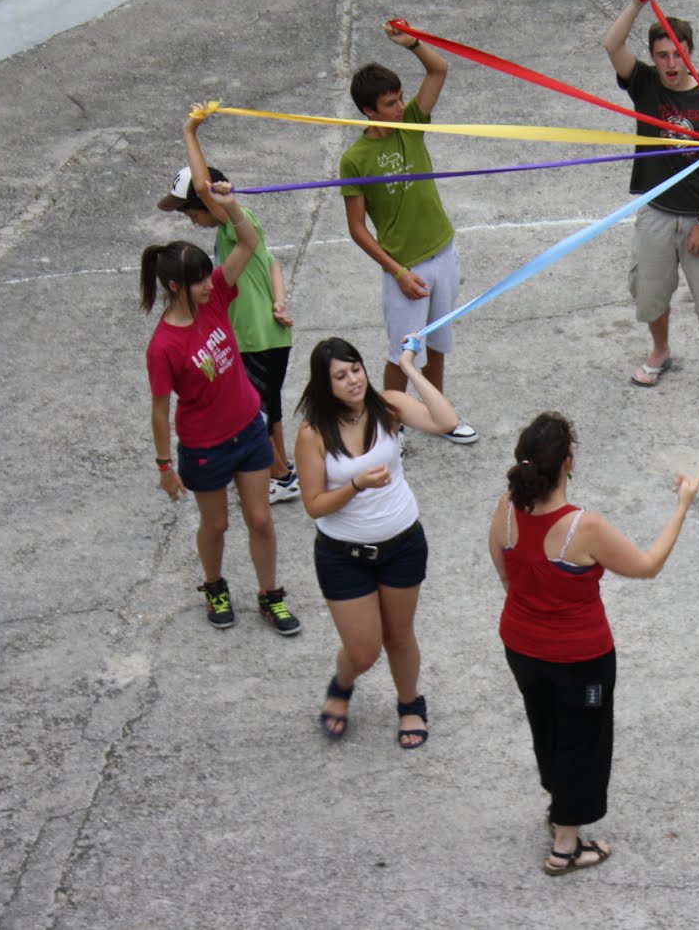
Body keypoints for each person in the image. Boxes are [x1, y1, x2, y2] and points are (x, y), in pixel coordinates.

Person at [489, 412, 699, 875]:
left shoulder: (507, 506)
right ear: (569, 462)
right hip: (581, 660)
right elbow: (647, 565)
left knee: (545, 726)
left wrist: (535, 613)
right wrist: (683, 504)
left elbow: (504, 569)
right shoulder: (580, 527)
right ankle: (566, 845)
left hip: (522, 647)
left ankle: (557, 805)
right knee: (583, 740)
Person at [142, 179, 299, 636]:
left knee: (261, 520)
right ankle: (214, 585)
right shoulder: (164, 347)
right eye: (199, 282)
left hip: (249, 429)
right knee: (217, 525)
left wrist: (229, 206)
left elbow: (251, 242)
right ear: (175, 286)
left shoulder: (214, 297)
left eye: (209, 276)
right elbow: (158, 410)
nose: (211, 285)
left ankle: (270, 595)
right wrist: (164, 466)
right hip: (205, 446)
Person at [296, 337, 469, 748]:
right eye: (340, 376)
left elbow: (446, 421)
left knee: (400, 636)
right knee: (364, 651)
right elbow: (314, 505)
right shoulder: (313, 433)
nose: (353, 380)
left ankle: (410, 703)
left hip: (403, 544)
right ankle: (343, 683)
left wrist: (410, 369)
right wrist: (355, 484)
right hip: (344, 556)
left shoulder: (387, 405)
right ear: (325, 385)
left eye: (356, 368)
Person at [602, 0, 699, 406]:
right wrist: (635, 3)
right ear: (652, 57)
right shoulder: (645, 85)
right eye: (662, 55)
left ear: (690, 53)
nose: (670, 63)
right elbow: (611, 44)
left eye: (677, 54)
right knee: (650, 291)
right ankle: (661, 351)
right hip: (657, 212)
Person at [338, 19, 476, 442]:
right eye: (391, 103)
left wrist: (412, 43)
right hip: (406, 267)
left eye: (400, 99)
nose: (401, 108)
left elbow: (439, 71)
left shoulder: (414, 122)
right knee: (402, 355)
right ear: (369, 111)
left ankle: (441, 416)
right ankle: (388, 429)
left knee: (437, 344)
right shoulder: (355, 160)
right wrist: (397, 271)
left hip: (443, 252)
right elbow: (358, 229)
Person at [158, 103, 300, 504]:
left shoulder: (236, 223)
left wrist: (191, 132)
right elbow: (272, 262)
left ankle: (281, 473)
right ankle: (282, 471)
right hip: (264, 333)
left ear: (212, 206)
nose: (191, 220)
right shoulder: (237, 231)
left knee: (258, 410)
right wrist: (280, 301)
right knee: (267, 407)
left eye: (191, 213)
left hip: (256, 338)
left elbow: (203, 188)